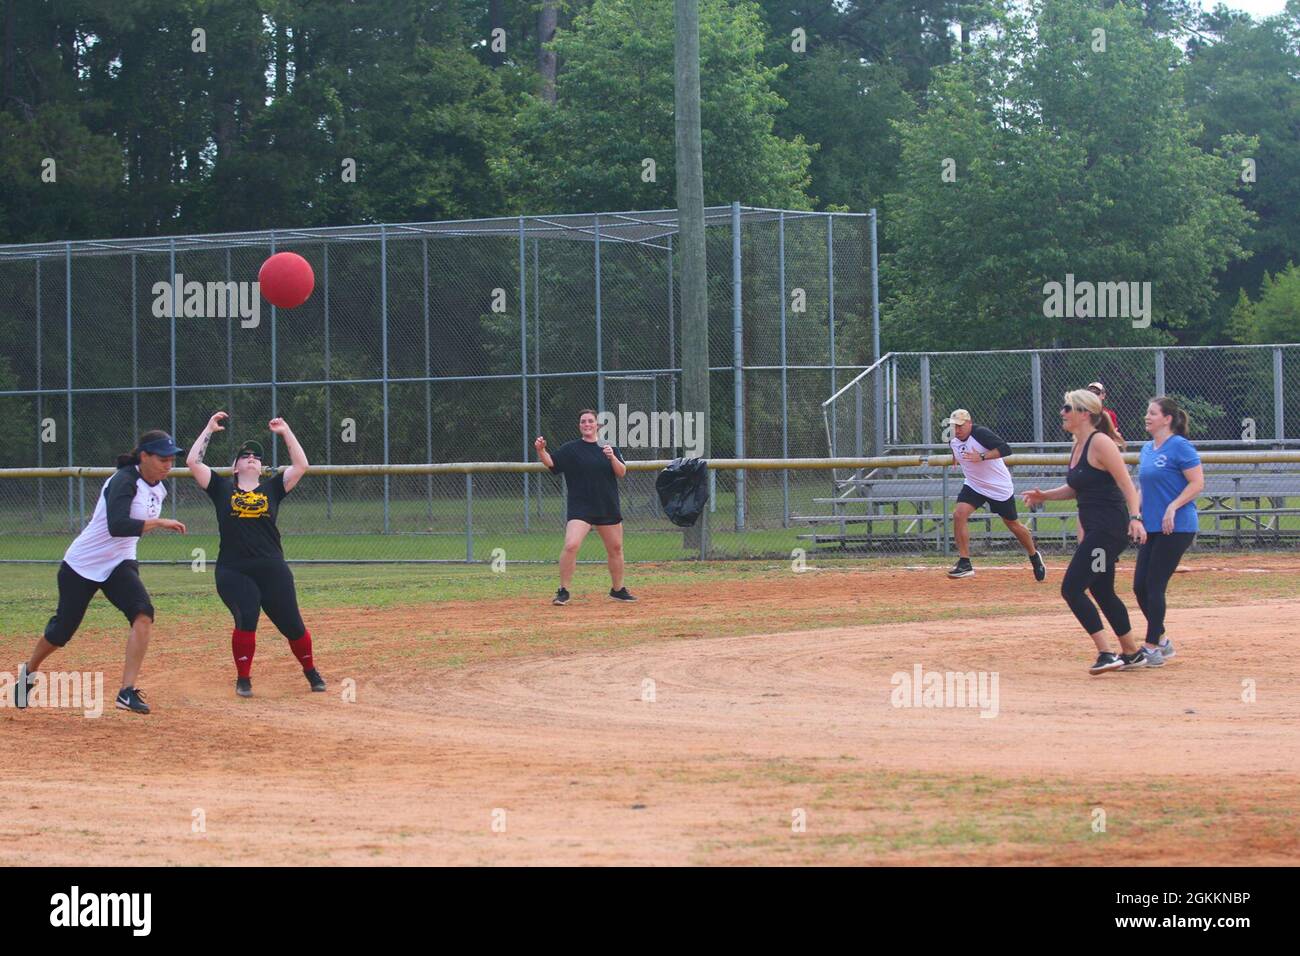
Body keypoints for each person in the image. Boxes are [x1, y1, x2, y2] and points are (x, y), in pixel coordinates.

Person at [16, 430, 188, 715]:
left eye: (171, 459)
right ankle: (29, 671)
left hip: (118, 563)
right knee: (62, 632)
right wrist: (158, 523)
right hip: (82, 565)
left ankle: (126, 691)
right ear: (143, 456)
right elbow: (117, 526)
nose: (168, 464)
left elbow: (128, 537)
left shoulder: (158, 487)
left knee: (143, 613)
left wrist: (130, 562)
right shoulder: (123, 480)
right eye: (162, 458)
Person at [186, 411, 325, 698]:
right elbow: (193, 462)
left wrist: (286, 430)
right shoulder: (221, 488)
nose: (252, 458)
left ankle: (311, 671)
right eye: (246, 456)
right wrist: (209, 429)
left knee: (293, 625)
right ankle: (244, 679)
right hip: (234, 569)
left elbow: (302, 464)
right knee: (247, 615)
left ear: (261, 468)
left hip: (272, 568)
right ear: (235, 467)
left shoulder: (273, 488)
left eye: (257, 457)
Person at [1023, 390, 1148, 675]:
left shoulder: (1100, 442)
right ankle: (1131, 652)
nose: (1062, 413)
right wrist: (1046, 496)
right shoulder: (1077, 444)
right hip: (1097, 528)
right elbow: (1076, 488)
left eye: (1068, 408)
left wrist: (1136, 518)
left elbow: (1127, 485)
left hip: (1108, 531)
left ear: (1085, 414)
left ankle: (1106, 653)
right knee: (1101, 589)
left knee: (1072, 588)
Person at [535, 408, 636, 605]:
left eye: (590, 421)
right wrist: (541, 450)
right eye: (583, 422)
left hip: (606, 504)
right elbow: (552, 464)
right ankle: (563, 590)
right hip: (581, 507)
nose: (587, 424)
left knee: (615, 548)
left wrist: (612, 457)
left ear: (597, 425)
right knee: (571, 545)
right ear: (579, 426)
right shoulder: (571, 449)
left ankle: (618, 590)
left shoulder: (609, 447)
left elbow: (621, 472)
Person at [1131, 396, 1204, 666]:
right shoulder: (1147, 449)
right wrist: (1135, 515)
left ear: (1167, 419)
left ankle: (1151, 648)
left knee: (1154, 584)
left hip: (1178, 525)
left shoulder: (1180, 446)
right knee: (1140, 586)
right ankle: (1162, 641)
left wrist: (1173, 506)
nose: (1147, 417)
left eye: (1152, 413)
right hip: (1152, 526)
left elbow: (1197, 483)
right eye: (1147, 412)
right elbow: (1142, 487)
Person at [942, 409, 1046, 582]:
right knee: (959, 514)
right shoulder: (953, 439)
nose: (957, 429)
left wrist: (981, 456)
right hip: (974, 485)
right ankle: (965, 562)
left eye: (960, 426)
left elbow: (1006, 449)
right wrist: (956, 457)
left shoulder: (980, 433)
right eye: (954, 426)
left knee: (1013, 525)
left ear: (969, 423)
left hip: (998, 486)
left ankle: (1034, 556)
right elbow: (956, 448)